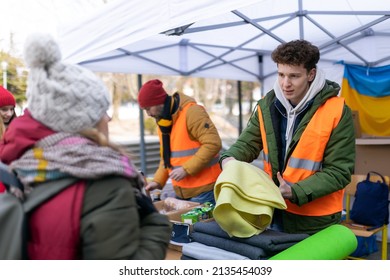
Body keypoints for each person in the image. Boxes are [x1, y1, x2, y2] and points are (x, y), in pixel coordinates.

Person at [0, 33, 171, 259]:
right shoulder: (105, 184)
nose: (108, 119)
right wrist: (155, 226)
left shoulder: (22, 167)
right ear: (84, 120)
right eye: (102, 111)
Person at [220, 40, 355, 235]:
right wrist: (229, 159)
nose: (285, 83)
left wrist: (294, 191)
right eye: (281, 74)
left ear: (311, 74)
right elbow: (247, 143)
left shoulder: (337, 111)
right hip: (272, 210)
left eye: (294, 76)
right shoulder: (267, 106)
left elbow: (339, 171)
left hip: (314, 220)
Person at [138, 79, 222, 205]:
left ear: (159, 102)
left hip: (205, 192)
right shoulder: (163, 122)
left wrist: (185, 169)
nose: (148, 114)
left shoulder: (192, 112)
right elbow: (166, 158)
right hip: (182, 193)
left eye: (148, 108)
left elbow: (213, 143)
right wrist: (157, 181)